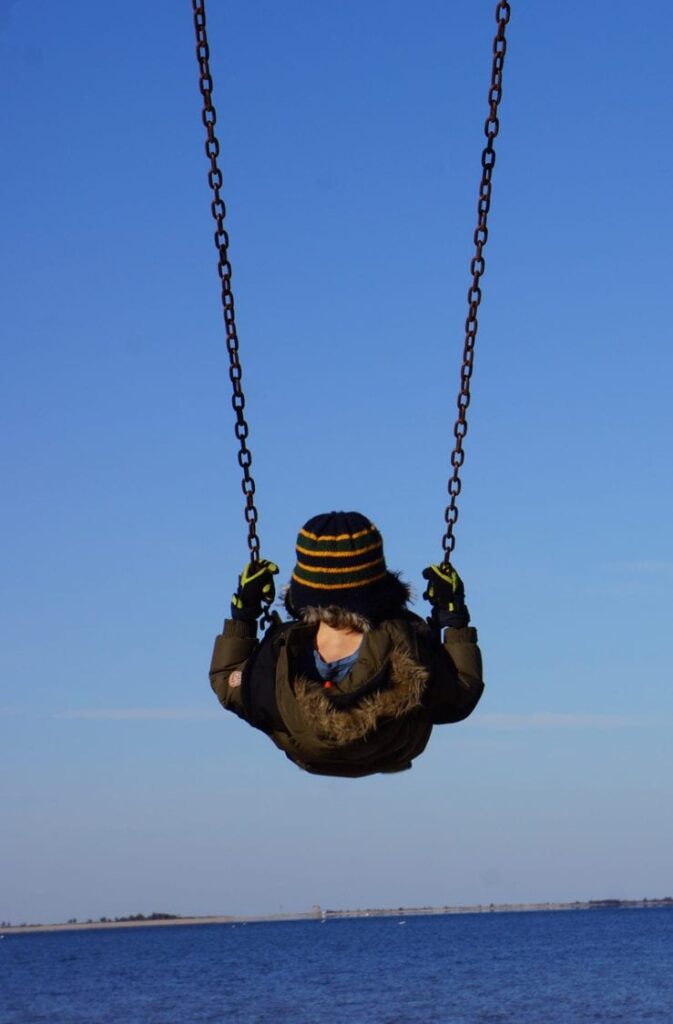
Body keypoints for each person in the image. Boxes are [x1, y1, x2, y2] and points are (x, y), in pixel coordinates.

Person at [209, 512, 484, 777]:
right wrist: (453, 617)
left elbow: (227, 681)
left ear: (303, 592)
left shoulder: (276, 665)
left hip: (305, 751)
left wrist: (244, 613)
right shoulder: (412, 653)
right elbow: (461, 692)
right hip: (394, 748)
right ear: (378, 589)